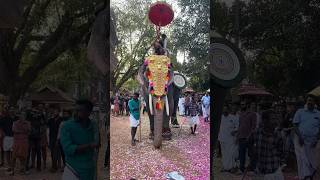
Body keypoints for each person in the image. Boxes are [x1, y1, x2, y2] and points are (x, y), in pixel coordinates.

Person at [60, 99, 99, 180]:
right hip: (72, 168)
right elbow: (68, 149)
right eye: (76, 110)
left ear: (89, 112)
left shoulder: (94, 125)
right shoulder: (66, 126)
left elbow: (97, 144)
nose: (76, 113)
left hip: (90, 169)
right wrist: (89, 145)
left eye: (80, 110)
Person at [249, 109, 285, 179]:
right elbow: (249, 142)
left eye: (276, 119)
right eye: (273, 119)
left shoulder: (278, 135)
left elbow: (281, 152)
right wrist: (252, 153)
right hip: (260, 172)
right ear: (265, 121)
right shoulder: (256, 133)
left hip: (275, 173)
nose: (276, 122)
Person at [293, 95, 320, 180]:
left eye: (311, 101)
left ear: (315, 103)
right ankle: (303, 178)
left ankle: (311, 177)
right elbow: (295, 125)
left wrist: (316, 139)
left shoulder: (318, 113)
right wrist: (300, 137)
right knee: (302, 160)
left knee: (312, 162)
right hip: (300, 140)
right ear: (306, 102)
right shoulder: (300, 111)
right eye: (308, 100)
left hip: (313, 141)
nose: (309, 102)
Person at [237, 100, 257, 174]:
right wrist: (238, 136)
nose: (242, 105)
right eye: (241, 104)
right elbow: (240, 125)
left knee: (251, 154)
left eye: (244, 104)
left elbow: (253, 126)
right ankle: (241, 169)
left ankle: (252, 169)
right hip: (241, 137)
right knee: (241, 154)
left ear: (247, 105)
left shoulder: (252, 114)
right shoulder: (240, 114)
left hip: (249, 137)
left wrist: (249, 135)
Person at [9, 111, 31, 176]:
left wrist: (20, 130)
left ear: (25, 116)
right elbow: (14, 130)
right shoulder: (15, 123)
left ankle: (23, 170)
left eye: (24, 115)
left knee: (24, 157)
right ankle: (12, 170)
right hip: (16, 142)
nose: (22, 116)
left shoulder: (28, 123)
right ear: (19, 116)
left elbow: (29, 131)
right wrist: (24, 131)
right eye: (21, 115)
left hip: (24, 142)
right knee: (13, 157)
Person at [218, 105, 239, 173]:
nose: (225, 111)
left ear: (228, 110)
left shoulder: (233, 118)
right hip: (222, 138)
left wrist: (235, 131)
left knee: (231, 153)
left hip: (230, 139)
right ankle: (225, 167)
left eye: (226, 110)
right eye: (224, 110)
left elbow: (238, 126)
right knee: (224, 154)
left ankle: (232, 167)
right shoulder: (220, 117)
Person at [48, 108, 63, 172]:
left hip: (58, 138)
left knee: (56, 152)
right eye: (54, 112)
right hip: (51, 138)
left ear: (59, 112)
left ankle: (55, 167)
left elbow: (60, 130)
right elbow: (48, 129)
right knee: (52, 153)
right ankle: (54, 165)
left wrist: (58, 139)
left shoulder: (61, 120)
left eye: (56, 111)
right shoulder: (51, 120)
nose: (55, 113)